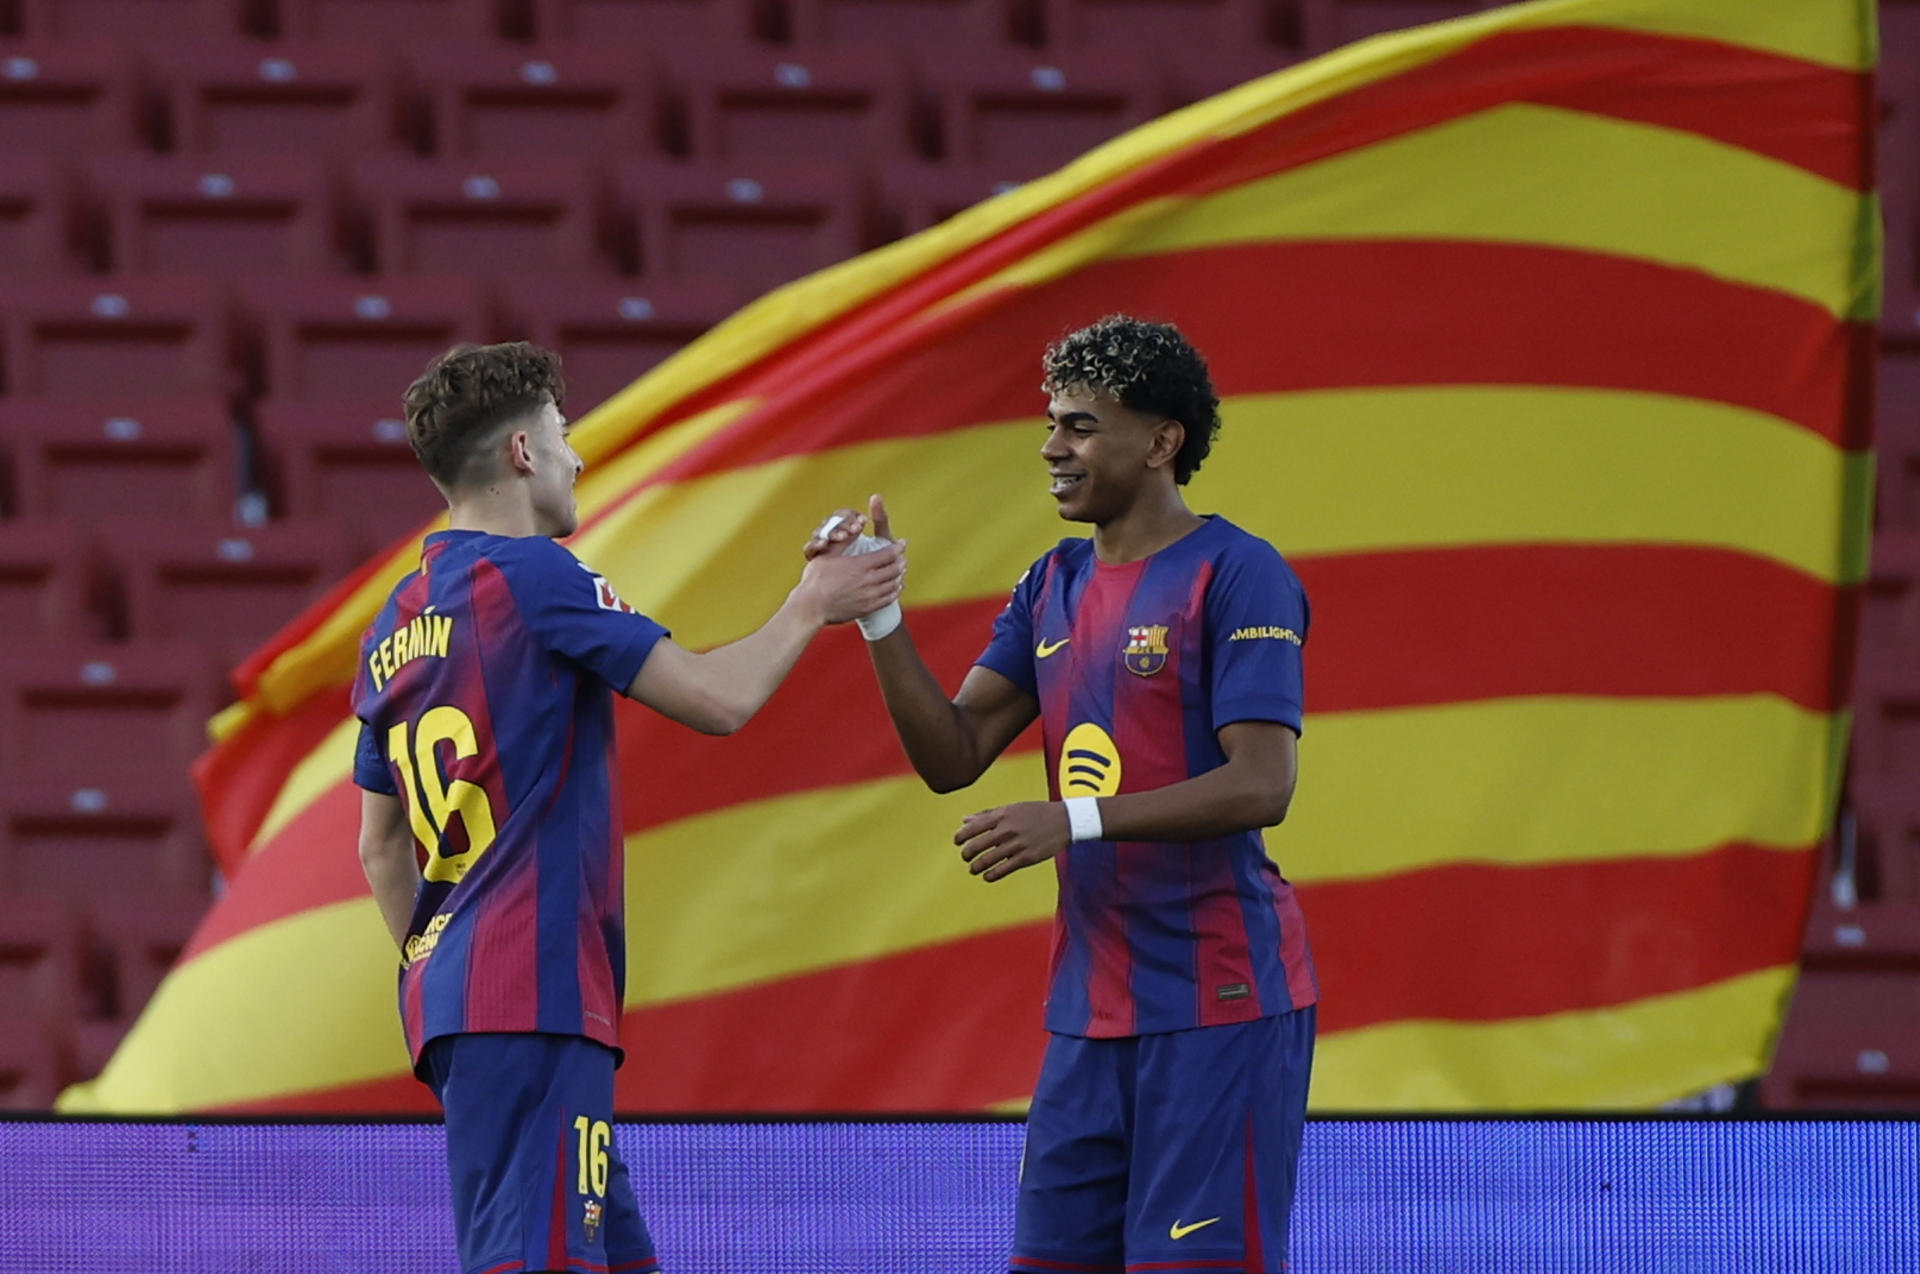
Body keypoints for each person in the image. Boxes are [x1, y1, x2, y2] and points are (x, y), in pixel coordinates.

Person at [352, 341, 905, 1274]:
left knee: (613, 1257)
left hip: (462, 1005)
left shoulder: (393, 620)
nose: (578, 459)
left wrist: (435, 959)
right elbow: (717, 700)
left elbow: (378, 846)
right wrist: (813, 602)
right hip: (532, 994)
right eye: (564, 437)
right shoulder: (534, 577)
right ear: (523, 454)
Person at [812, 315, 1316, 1273]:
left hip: (1221, 1007)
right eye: (1052, 423)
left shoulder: (1238, 572)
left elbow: (1264, 783)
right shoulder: (1051, 581)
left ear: (1162, 442)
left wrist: (1072, 819)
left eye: (1080, 426)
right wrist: (878, 615)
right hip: (1089, 1017)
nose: (1051, 447)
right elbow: (953, 752)